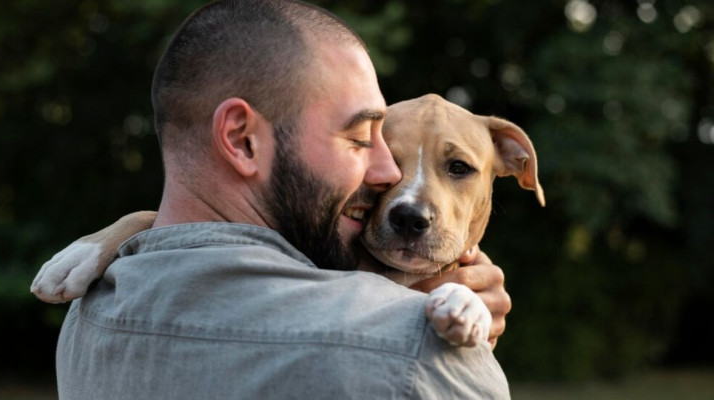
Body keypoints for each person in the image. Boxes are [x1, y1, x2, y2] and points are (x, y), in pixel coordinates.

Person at [54, 0, 511, 398]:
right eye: (358, 139)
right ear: (242, 140)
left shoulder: (88, 311)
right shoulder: (414, 356)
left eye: (456, 169)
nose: (388, 173)